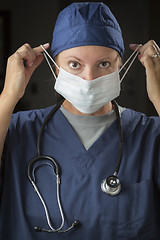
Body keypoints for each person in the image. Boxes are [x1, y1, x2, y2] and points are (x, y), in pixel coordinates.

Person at [0, 2, 160, 239]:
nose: (89, 78)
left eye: (103, 64)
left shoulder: (150, 135)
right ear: (56, 69)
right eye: (75, 65)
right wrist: (8, 96)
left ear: (120, 66)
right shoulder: (16, 129)